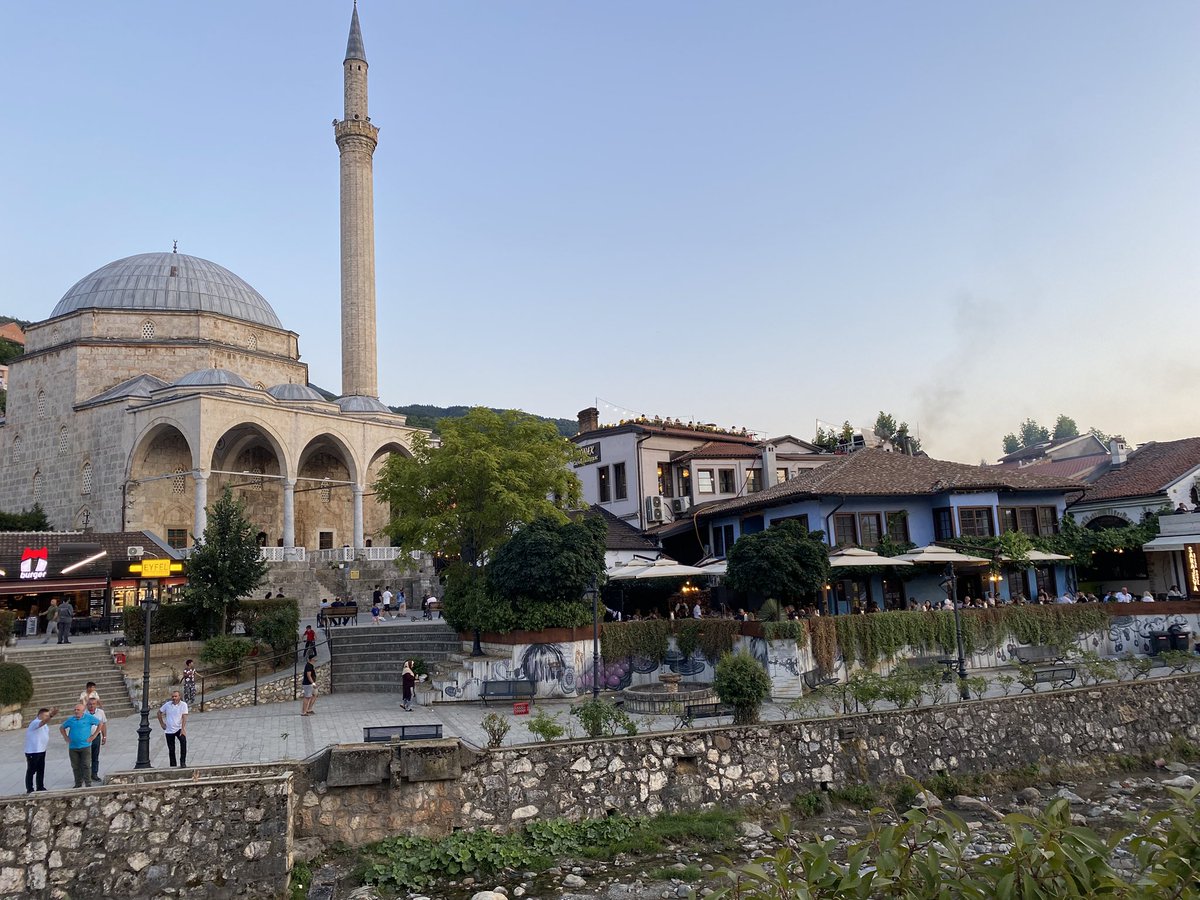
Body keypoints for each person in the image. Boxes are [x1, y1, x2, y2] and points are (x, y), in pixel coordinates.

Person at [60, 703, 101, 788]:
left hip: (85, 746)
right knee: (75, 766)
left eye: (78, 710)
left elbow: (100, 724)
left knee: (86, 764)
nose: (76, 711)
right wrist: (66, 737)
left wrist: (94, 736)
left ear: (83, 710)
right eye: (75, 710)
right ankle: (78, 783)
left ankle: (88, 783)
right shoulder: (71, 720)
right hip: (73, 747)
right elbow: (62, 727)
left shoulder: (88, 718)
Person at [24, 706, 58, 793]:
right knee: (31, 770)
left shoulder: (45, 725)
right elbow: (42, 722)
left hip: (41, 750)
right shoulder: (35, 723)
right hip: (33, 751)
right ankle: (30, 789)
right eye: (45, 715)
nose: (47, 717)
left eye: (48, 715)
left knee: (40, 770)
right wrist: (51, 716)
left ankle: (40, 786)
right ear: (40, 715)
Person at [157, 690, 188, 767]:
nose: (174, 698)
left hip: (179, 729)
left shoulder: (183, 705)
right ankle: (173, 764)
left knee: (183, 744)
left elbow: (184, 716)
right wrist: (162, 723)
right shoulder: (167, 705)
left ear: (179, 697)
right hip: (169, 730)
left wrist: (183, 728)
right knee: (171, 749)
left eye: (175, 696)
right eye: (173, 696)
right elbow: (159, 712)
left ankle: (182, 762)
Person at [85, 696, 107, 783]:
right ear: (87, 705)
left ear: (96, 704)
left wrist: (104, 736)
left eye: (93, 704)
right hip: (86, 738)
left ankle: (94, 774)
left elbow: (104, 725)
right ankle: (85, 775)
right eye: (90, 704)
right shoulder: (84, 713)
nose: (91, 706)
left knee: (95, 756)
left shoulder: (101, 712)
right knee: (86, 757)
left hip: (96, 737)